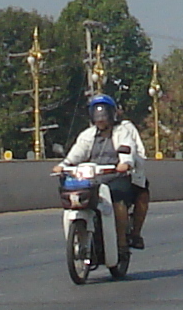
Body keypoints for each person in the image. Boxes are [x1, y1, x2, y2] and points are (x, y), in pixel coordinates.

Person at [59, 91, 150, 251]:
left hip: (116, 176)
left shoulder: (122, 131)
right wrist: (64, 164)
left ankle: (121, 243)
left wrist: (125, 163)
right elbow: (79, 151)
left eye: (104, 113)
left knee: (118, 202)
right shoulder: (88, 134)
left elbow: (127, 149)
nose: (100, 118)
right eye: (96, 113)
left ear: (112, 114)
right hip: (94, 178)